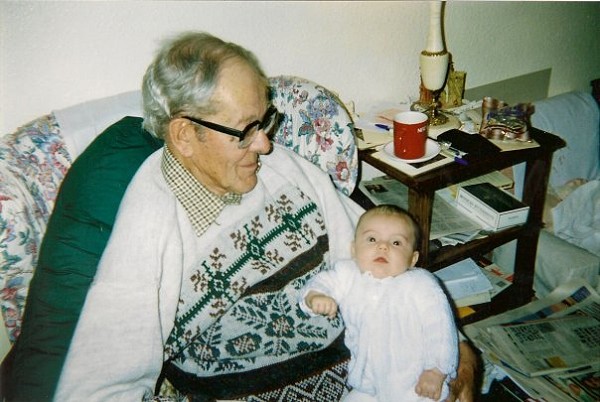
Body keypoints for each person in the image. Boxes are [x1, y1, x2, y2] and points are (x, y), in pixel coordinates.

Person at [9, 31, 478, 401]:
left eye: (264, 120)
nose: (266, 143)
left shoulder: (285, 170)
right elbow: (100, 384)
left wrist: (458, 351)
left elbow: (381, 252)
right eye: (245, 130)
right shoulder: (151, 221)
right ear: (185, 135)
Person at [299, 205, 458, 402]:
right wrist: (315, 296)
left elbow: (440, 327)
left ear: (412, 259)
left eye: (396, 242)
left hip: (416, 383)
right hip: (368, 384)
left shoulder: (421, 284)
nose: (383, 246)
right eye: (372, 239)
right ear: (354, 250)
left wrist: (436, 370)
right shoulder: (347, 275)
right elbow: (323, 282)